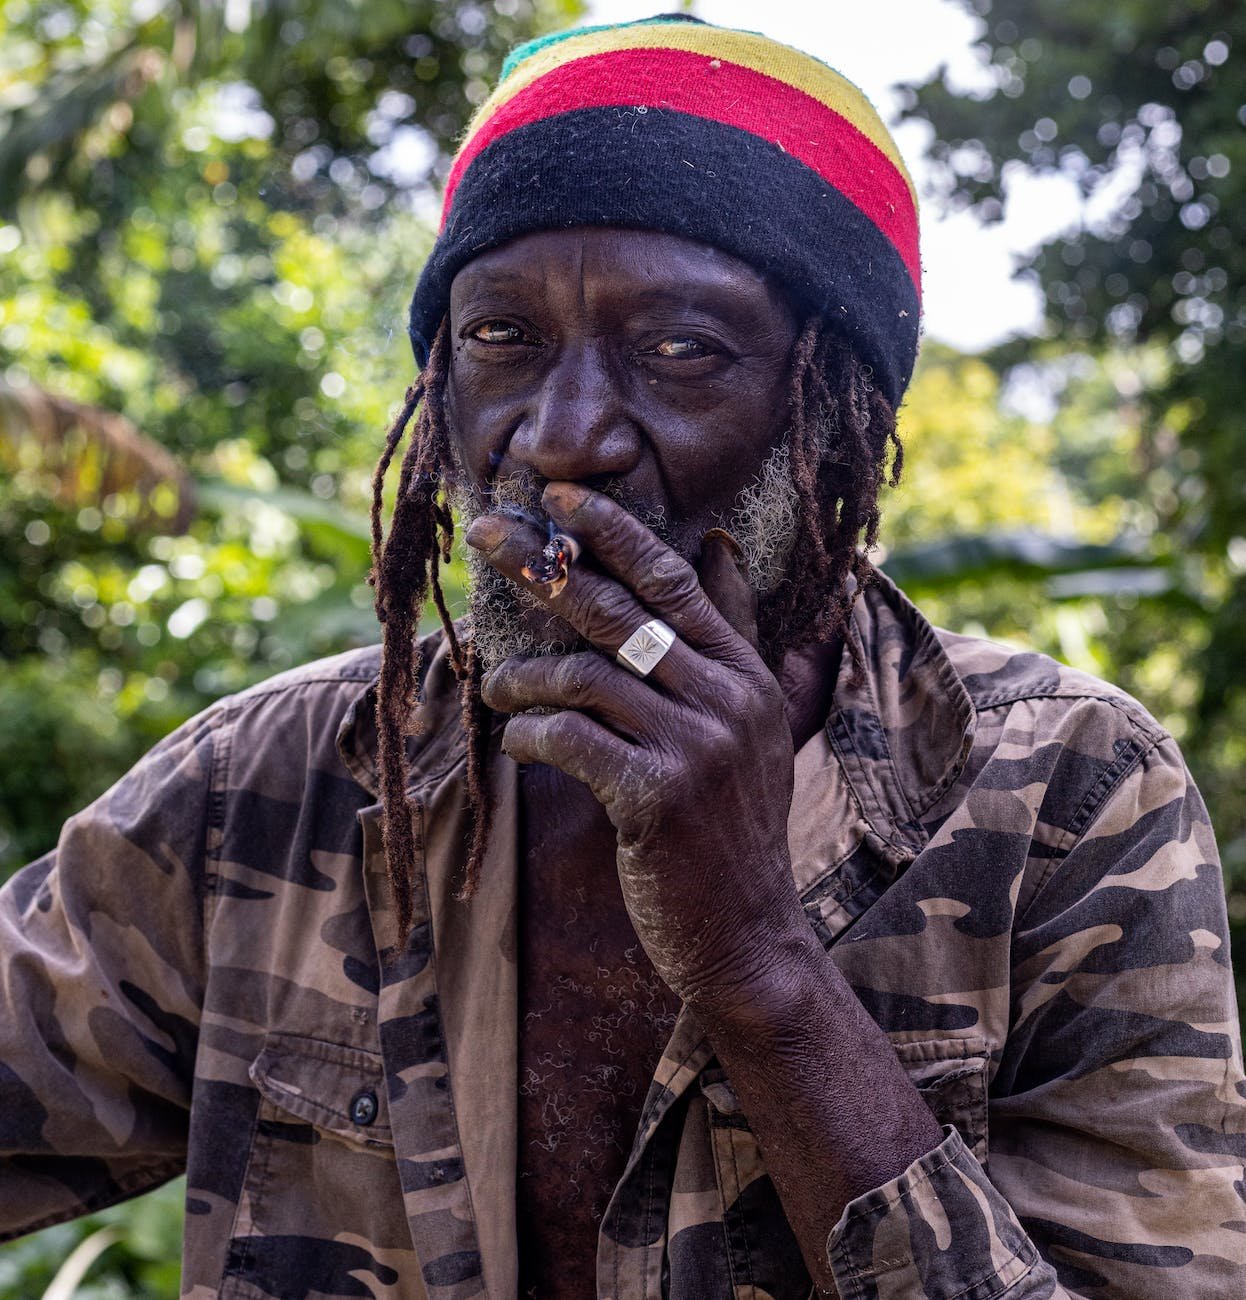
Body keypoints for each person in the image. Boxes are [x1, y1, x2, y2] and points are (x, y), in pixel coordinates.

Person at [2, 14, 1244, 1299]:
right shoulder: (275, 785)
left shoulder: (1065, 793)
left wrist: (756, 961)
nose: (563, 436)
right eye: (501, 339)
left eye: (679, 351)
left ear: (832, 417)